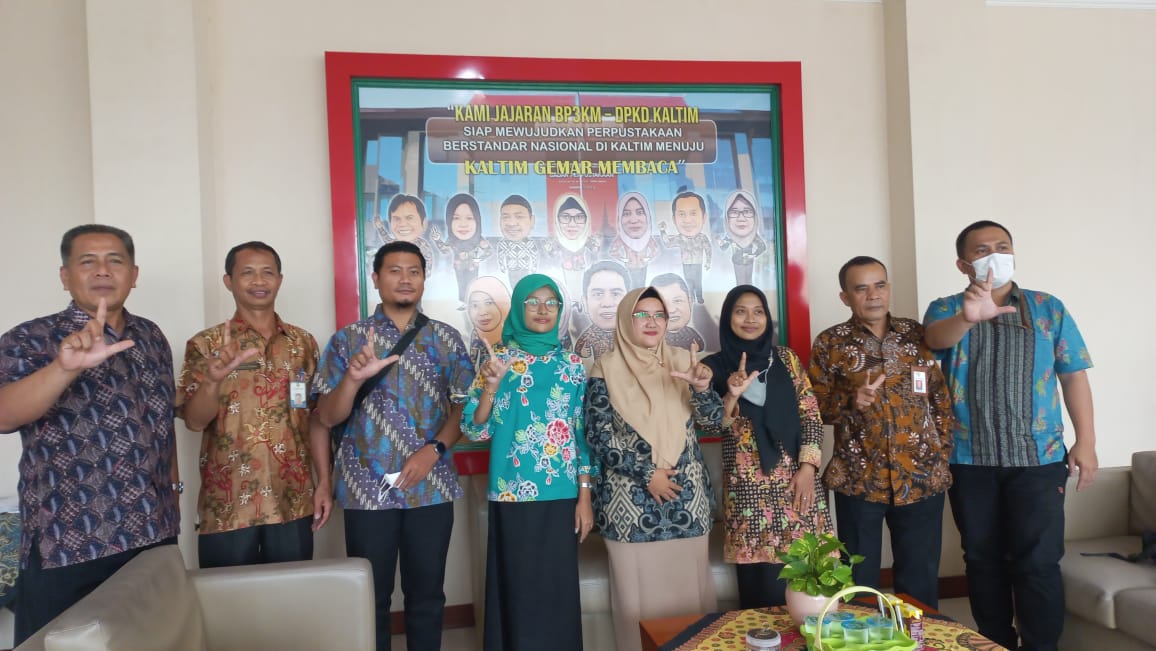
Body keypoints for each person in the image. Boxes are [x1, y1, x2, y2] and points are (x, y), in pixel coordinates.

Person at [0, 225, 181, 644]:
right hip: (70, 540)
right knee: (59, 643)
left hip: (153, 533)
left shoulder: (150, 336)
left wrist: (174, 490)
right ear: (65, 276)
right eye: (88, 262)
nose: (102, 270)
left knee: (157, 640)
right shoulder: (31, 339)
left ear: (134, 274)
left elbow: (160, 423)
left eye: (115, 260)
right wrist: (64, 368)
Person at [923, 220, 1096, 651]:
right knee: (982, 561)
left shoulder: (1047, 308)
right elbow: (932, 341)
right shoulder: (946, 308)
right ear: (963, 264)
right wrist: (967, 317)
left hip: (1039, 458)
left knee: (1039, 563)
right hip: (969, 459)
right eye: (982, 250)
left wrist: (1086, 442)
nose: (995, 256)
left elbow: (1073, 375)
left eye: (1002, 247)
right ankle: (995, 643)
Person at [313, 240, 474, 651]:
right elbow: (325, 417)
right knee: (371, 598)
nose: (405, 279)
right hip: (366, 490)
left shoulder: (446, 338)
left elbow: (465, 407)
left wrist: (434, 449)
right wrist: (352, 380)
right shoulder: (348, 340)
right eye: (394, 270)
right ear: (376, 278)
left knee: (427, 595)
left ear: (424, 279)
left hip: (430, 487)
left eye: (413, 271)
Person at [807, 256, 954, 608]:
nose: (873, 295)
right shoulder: (830, 343)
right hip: (859, 479)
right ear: (845, 297)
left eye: (880, 285)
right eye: (861, 288)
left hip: (921, 477)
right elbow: (813, 408)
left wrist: (941, 453)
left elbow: (940, 399)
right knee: (858, 580)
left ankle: (917, 637)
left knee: (919, 579)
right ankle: (861, 637)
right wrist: (850, 401)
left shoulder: (917, 335)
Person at [176, 241, 328, 568]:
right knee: (226, 597)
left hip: (294, 498)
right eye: (247, 273)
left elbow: (314, 417)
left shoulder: (303, 343)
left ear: (279, 280)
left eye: (267, 273)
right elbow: (194, 422)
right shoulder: (207, 344)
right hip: (228, 503)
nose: (259, 281)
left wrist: (324, 482)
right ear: (228, 281)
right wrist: (213, 380)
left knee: (292, 593)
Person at [461, 274, 592, 651]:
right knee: (518, 589)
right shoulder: (498, 362)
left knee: (557, 589)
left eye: (551, 302)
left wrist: (585, 497)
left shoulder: (572, 365)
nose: (542, 309)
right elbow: (475, 429)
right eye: (532, 301)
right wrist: (490, 387)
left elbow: (581, 435)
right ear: (519, 308)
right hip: (512, 493)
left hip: (561, 493)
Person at [586, 287, 721, 651]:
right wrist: (648, 474)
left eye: (659, 314)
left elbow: (714, 423)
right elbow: (598, 437)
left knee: (691, 603)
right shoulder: (605, 369)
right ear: (625, 320)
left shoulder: (686, 363)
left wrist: (703, 388)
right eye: (641, 314)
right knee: (637, 607)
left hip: (687, 502)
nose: (651, 322)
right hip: (629, 507)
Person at [700, 285, 833, 609]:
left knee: (809, 587)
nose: (750, 319)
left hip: (798, 484)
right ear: (727, 318)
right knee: (761, 597)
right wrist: (730, 394)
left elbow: (810, 414)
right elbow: (710, 425)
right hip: (749, 494)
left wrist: (808, 468)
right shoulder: (713, 367)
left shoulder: (786, 358)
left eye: (758, 311)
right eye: (740, 311)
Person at [434, 193, 493, 303]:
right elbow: (444, 250)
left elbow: (489, 251)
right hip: (458, 267)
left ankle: (472, 302)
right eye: (456, 218)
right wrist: (437, 240)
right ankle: (463, 302)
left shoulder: (478, 239)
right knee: (461, 284)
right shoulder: (452, 240)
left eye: (469, 218)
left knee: (472, 284)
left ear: (477, 220)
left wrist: (479, 259)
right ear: (449, 221)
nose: (463, 224)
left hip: (473, 267)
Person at [541, 193, 600, 298]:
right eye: (565, 217)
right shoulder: (548, 250)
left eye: (579, 217)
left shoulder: (595, 249)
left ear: (587, 220)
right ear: (557, 220)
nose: (572, 224)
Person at [658, 191, 712, 304]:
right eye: (682, 214)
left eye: (693, 213)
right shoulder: (680, 238)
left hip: (698, 263)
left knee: (698, 282)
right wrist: (662, 231)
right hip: (686, 263)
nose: (687, 220)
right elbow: (668, 243)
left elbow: (708, 249)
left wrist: (708, 262)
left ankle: (699, 297)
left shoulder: (702, 237)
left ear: (704, 217)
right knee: (689, 282)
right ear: (674, 219)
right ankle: (691, 297)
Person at [573, 260, 630, 365]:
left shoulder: (635, 334)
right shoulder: (591, 333)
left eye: (616, 294)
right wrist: (582, 351)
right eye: (598, 294)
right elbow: (580, 347)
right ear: (585, 302)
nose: (607, 303)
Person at [374, 194, 436, 274]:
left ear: (423, 223)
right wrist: (380, 227)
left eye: (409, 218)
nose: (402, 224)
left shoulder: (423, 246)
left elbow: (426, 272)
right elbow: (387, 239)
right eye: (397, 219)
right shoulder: (395, 244)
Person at [609, 192, 661, 287]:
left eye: (640, 212)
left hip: (643, 266)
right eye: (626, 214)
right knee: (630, 286)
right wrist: (624, 260)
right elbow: (613, 251)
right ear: (619, 218)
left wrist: (647, 258)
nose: (633, 220)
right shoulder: (621, 239)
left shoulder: (649, 239)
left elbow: (655, 250)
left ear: (648, 216)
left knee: (642, 286)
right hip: (629, 267)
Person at [717, 190, 767, 285]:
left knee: (748, 282)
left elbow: (762, 247)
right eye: (734, 212)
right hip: (737, 262)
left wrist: (753, 255)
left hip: (749, 262)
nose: (741, 218)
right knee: (740, 283)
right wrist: (720, 243)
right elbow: (724, 248)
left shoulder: (753, 236)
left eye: (747, 211)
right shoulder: (729, 236)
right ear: (727, 217)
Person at [464, 275, 512, 369]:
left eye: (489, 303)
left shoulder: (516, 338)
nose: (482, 312)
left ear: (503, 305)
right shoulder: (476, 334)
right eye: (474, 305)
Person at [652, 272, 706, 352]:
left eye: (677, 301)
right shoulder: (650, 339)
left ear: (690, 302)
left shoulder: (691, 334)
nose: (671, 310)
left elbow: (700, 348)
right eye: (662, 303)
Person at [495, 194, 540, 288]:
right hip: (510, 270)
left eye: (519, 216)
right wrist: (502, 267)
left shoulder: (530, 243)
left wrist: (534, 268)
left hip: (525, 269)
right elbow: (501, 255)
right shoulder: (502, 244)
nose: (511, 223)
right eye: (505, 217)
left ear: (532, 221)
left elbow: (534, 256)